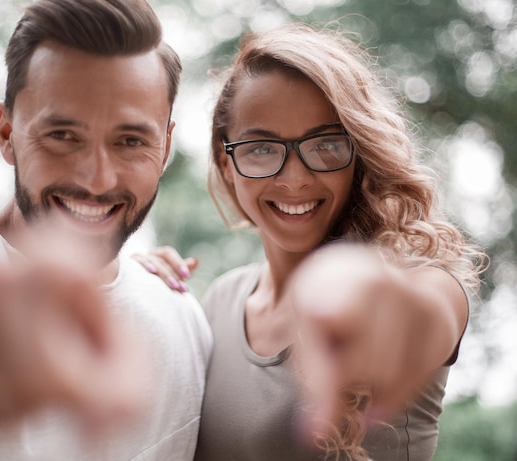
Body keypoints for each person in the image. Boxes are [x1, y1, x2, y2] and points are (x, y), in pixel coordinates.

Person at [133, 22, 485, 461]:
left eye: (325, 145)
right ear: (227, 164)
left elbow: (426, 313)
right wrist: (141, 289)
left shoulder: (412, 282)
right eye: (261, 148)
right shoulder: (220, 301)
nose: (295, 179)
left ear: (358, 153)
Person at [0, 0, 212, 460]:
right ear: (6, 133)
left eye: (130, 141)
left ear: (163, 150)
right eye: (63, 135)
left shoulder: (185, 319)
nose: (97, 179)